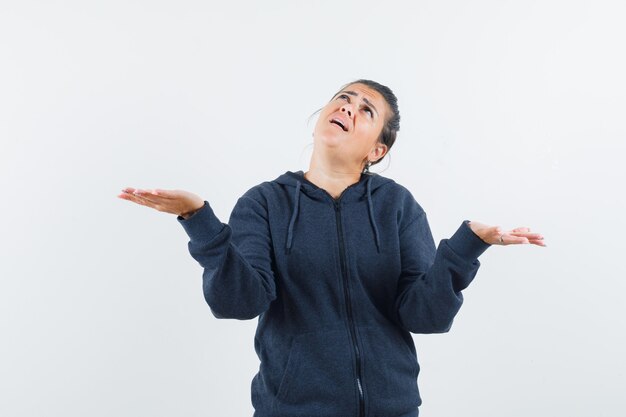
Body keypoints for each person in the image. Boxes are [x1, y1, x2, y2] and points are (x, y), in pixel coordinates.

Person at [118, 79, 546, 417]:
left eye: (365, 110)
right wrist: (200, 221)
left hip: (393, 410)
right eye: (343, 98)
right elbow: (237, 302)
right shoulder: (265, 203)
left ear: (377, 150)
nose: (347, 107)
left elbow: (425, 316)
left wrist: (466, 247)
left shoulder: (397, 205)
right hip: (290, 410)